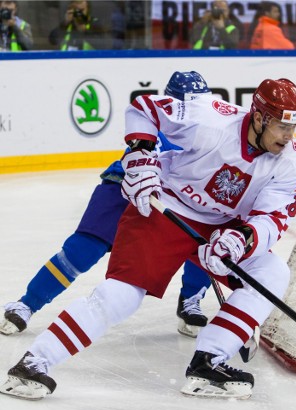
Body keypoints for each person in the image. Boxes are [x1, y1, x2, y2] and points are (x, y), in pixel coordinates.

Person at [0, 77, 296, 401]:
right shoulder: (211, 119)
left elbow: (272, 217)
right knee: (121, 295)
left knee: (273, 274)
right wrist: (140, 156)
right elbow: (144, 107)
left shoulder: (293, 163)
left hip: (223, 226)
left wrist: (241, 239)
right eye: (282, 127)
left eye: (295, 128)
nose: (289, 137)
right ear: (260, 118)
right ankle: (35, 362)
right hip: (167, 207)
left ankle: (208, 362)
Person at [0, 71, 214, 340]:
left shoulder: (215, 132)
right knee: (83, 249)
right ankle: (27, 304)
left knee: (206, 243)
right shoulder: (157, 120)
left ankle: (190, 301)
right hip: (124, 188)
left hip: (177, 198)